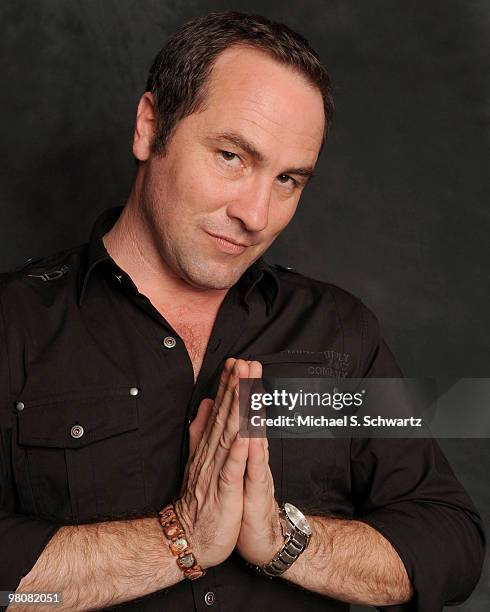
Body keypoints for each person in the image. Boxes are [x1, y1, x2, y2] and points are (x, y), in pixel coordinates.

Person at [0, 10, 484, 612]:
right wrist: (178, 539)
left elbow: (452, 541)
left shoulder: (337, 332)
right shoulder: (15, 326)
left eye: (288, 179)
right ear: (150, 127)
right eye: (232, 156)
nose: (256, 214)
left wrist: (287, 543)